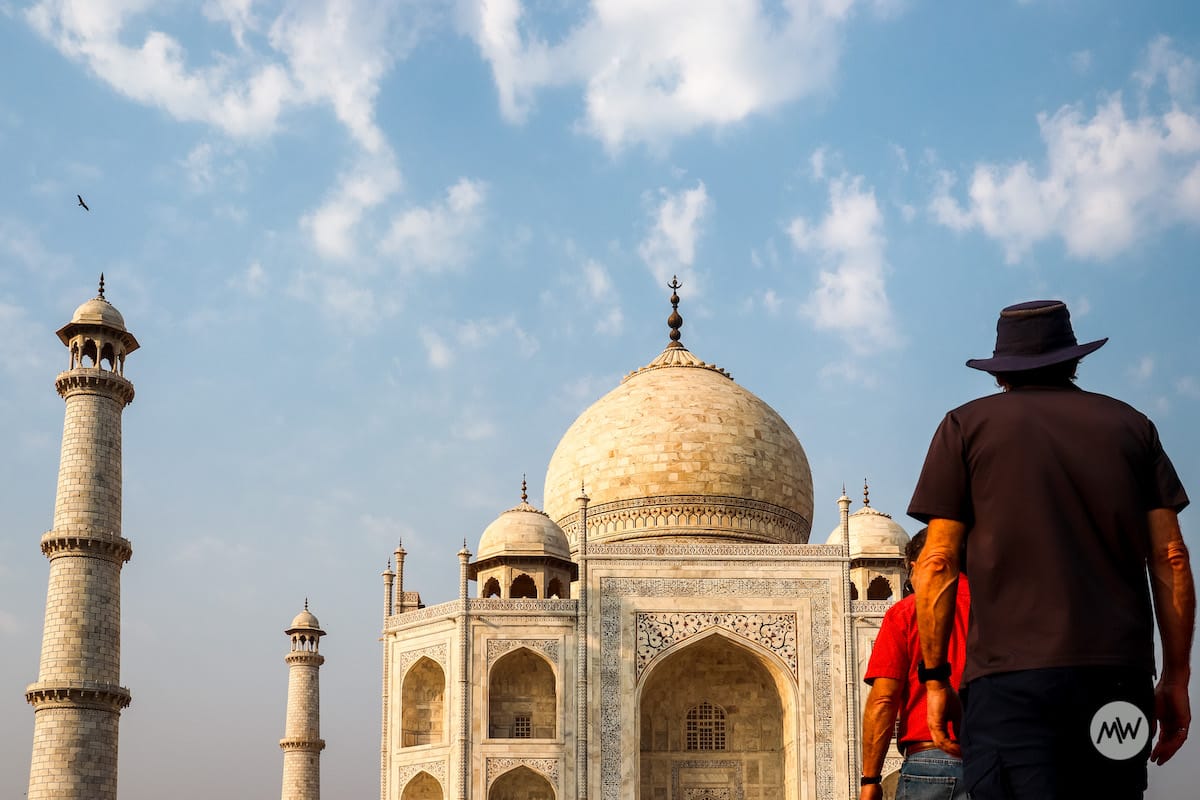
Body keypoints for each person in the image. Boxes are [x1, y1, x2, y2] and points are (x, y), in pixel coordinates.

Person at [907, 299, 1195, 799]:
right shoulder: (1132, 427)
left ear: (1000, 373)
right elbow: (1171, 558)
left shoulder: (964, 428)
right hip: (1115, 681)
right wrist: (1175, 677)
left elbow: (936, 562)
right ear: (1075, 361)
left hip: (1009, 686)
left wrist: (935, 681)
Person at [860, 528, 971, 800]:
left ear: (914, 567)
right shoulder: (1002, 610)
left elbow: (884, 700)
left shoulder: (905, 613)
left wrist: (871, 780)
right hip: (1000, 757)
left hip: (932, 761)